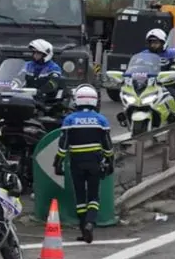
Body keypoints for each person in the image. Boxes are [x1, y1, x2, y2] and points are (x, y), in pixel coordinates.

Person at [53, 85, 113, 243]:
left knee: (80, 196)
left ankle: (82, 228)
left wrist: (57, 162)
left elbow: (63, 144)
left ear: (77, 100)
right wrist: (110, 161)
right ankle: (90, 223)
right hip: (94, 161)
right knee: (93, 195)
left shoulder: (70, 120)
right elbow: (108, 145)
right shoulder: (101, 120)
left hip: (76, 162)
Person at [24, 39, 64, 112]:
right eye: (34, 52)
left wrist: (40, 92)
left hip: (45, 100)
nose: (35, 55)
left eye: (38, 53)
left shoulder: (54, 67)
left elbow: (53, 83)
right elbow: (17, 77)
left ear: (46, 55)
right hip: (26, 97)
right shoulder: (27, 65)